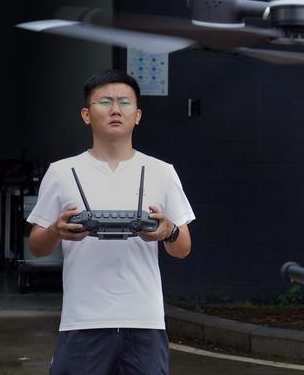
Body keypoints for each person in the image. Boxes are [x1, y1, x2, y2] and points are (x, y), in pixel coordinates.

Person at [27, 69, 194, 375]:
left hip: (144, 320)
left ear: (138, 115)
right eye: (105, 101)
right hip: (82, 320)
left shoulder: (162, 172)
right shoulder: (62, 172)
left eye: (125, 103)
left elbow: (183, 248)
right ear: (86, 114)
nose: (116, 109)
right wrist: (55, 230)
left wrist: (168, 231)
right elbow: (36, 246)